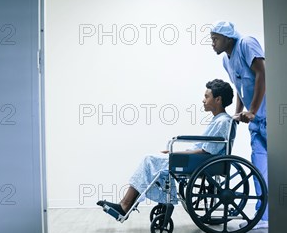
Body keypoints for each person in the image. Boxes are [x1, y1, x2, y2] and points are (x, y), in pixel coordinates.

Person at [97, 79, 235, 218]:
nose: (203, 100)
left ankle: (125, 205)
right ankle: (131, 204)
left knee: (149, 160)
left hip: (204, 162)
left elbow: (206, 151)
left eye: (207, 97)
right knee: (153, 162)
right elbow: (205, 148)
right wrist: (175, 153)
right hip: (201, 160)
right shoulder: (219, 120)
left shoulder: (222, 121)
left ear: (218, 99)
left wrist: (177, 153)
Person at [210, 21, 268, 229]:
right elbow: (239, 87)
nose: (213, 44)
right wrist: (237, 113)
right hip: (257, 123)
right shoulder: (227, 60)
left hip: (270, 117)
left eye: (215, 39)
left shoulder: (246, 44)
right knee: (260, 170)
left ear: (227, 37)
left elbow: (262, 73)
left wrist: (251, 110)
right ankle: (264, 217)